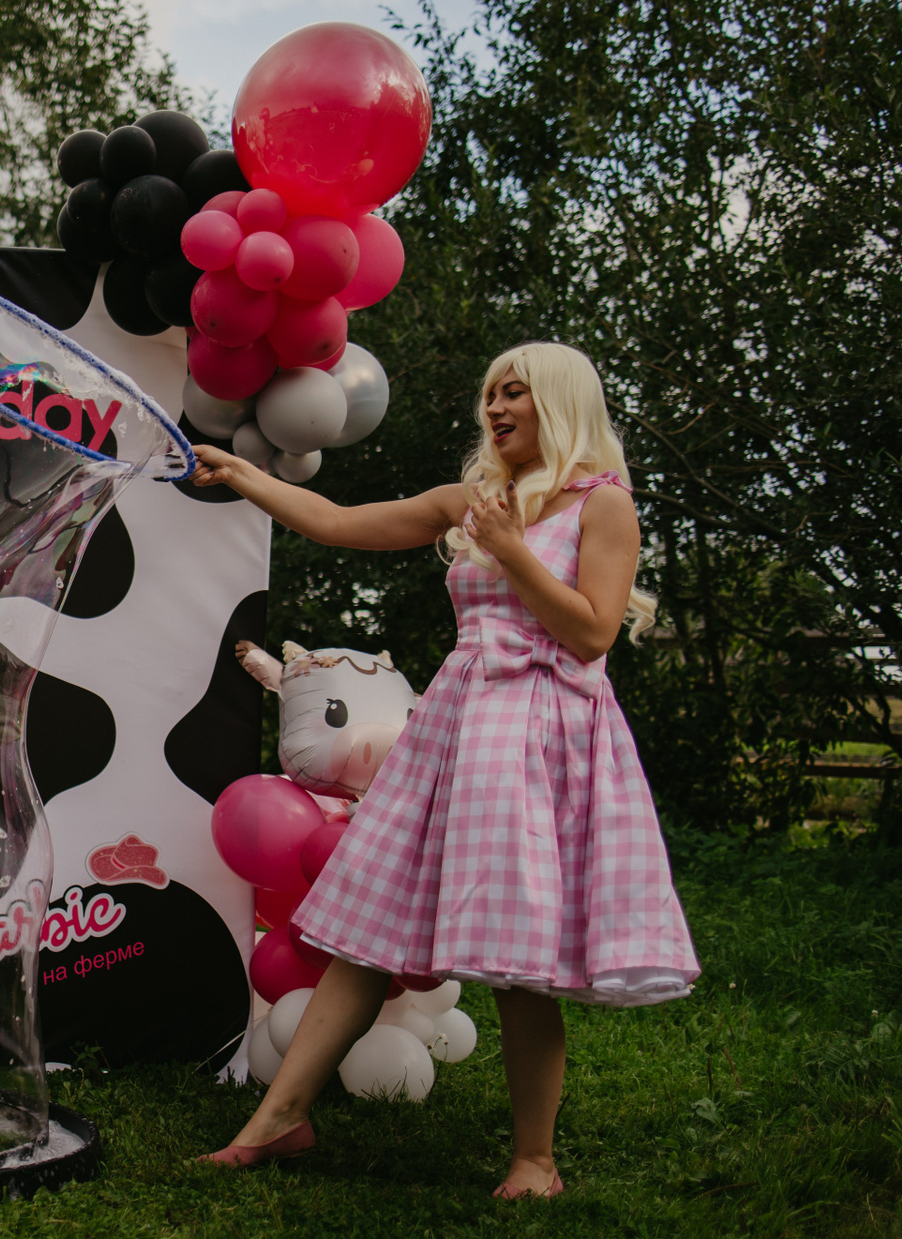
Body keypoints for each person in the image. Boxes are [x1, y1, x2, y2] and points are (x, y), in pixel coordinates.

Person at [192, 342, 699, 1198]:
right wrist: (246, 476)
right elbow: (340, 521)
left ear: (559, 403)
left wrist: (512, 549)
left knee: (517, 963)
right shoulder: (474, 501)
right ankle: (278, 1121)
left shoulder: (602, 505)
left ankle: (535, 1161)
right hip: (455, 734)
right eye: (490, 394)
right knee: (366, 932)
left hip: (537, 744)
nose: (494, 408)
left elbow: (592, 634)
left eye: (515, 393)